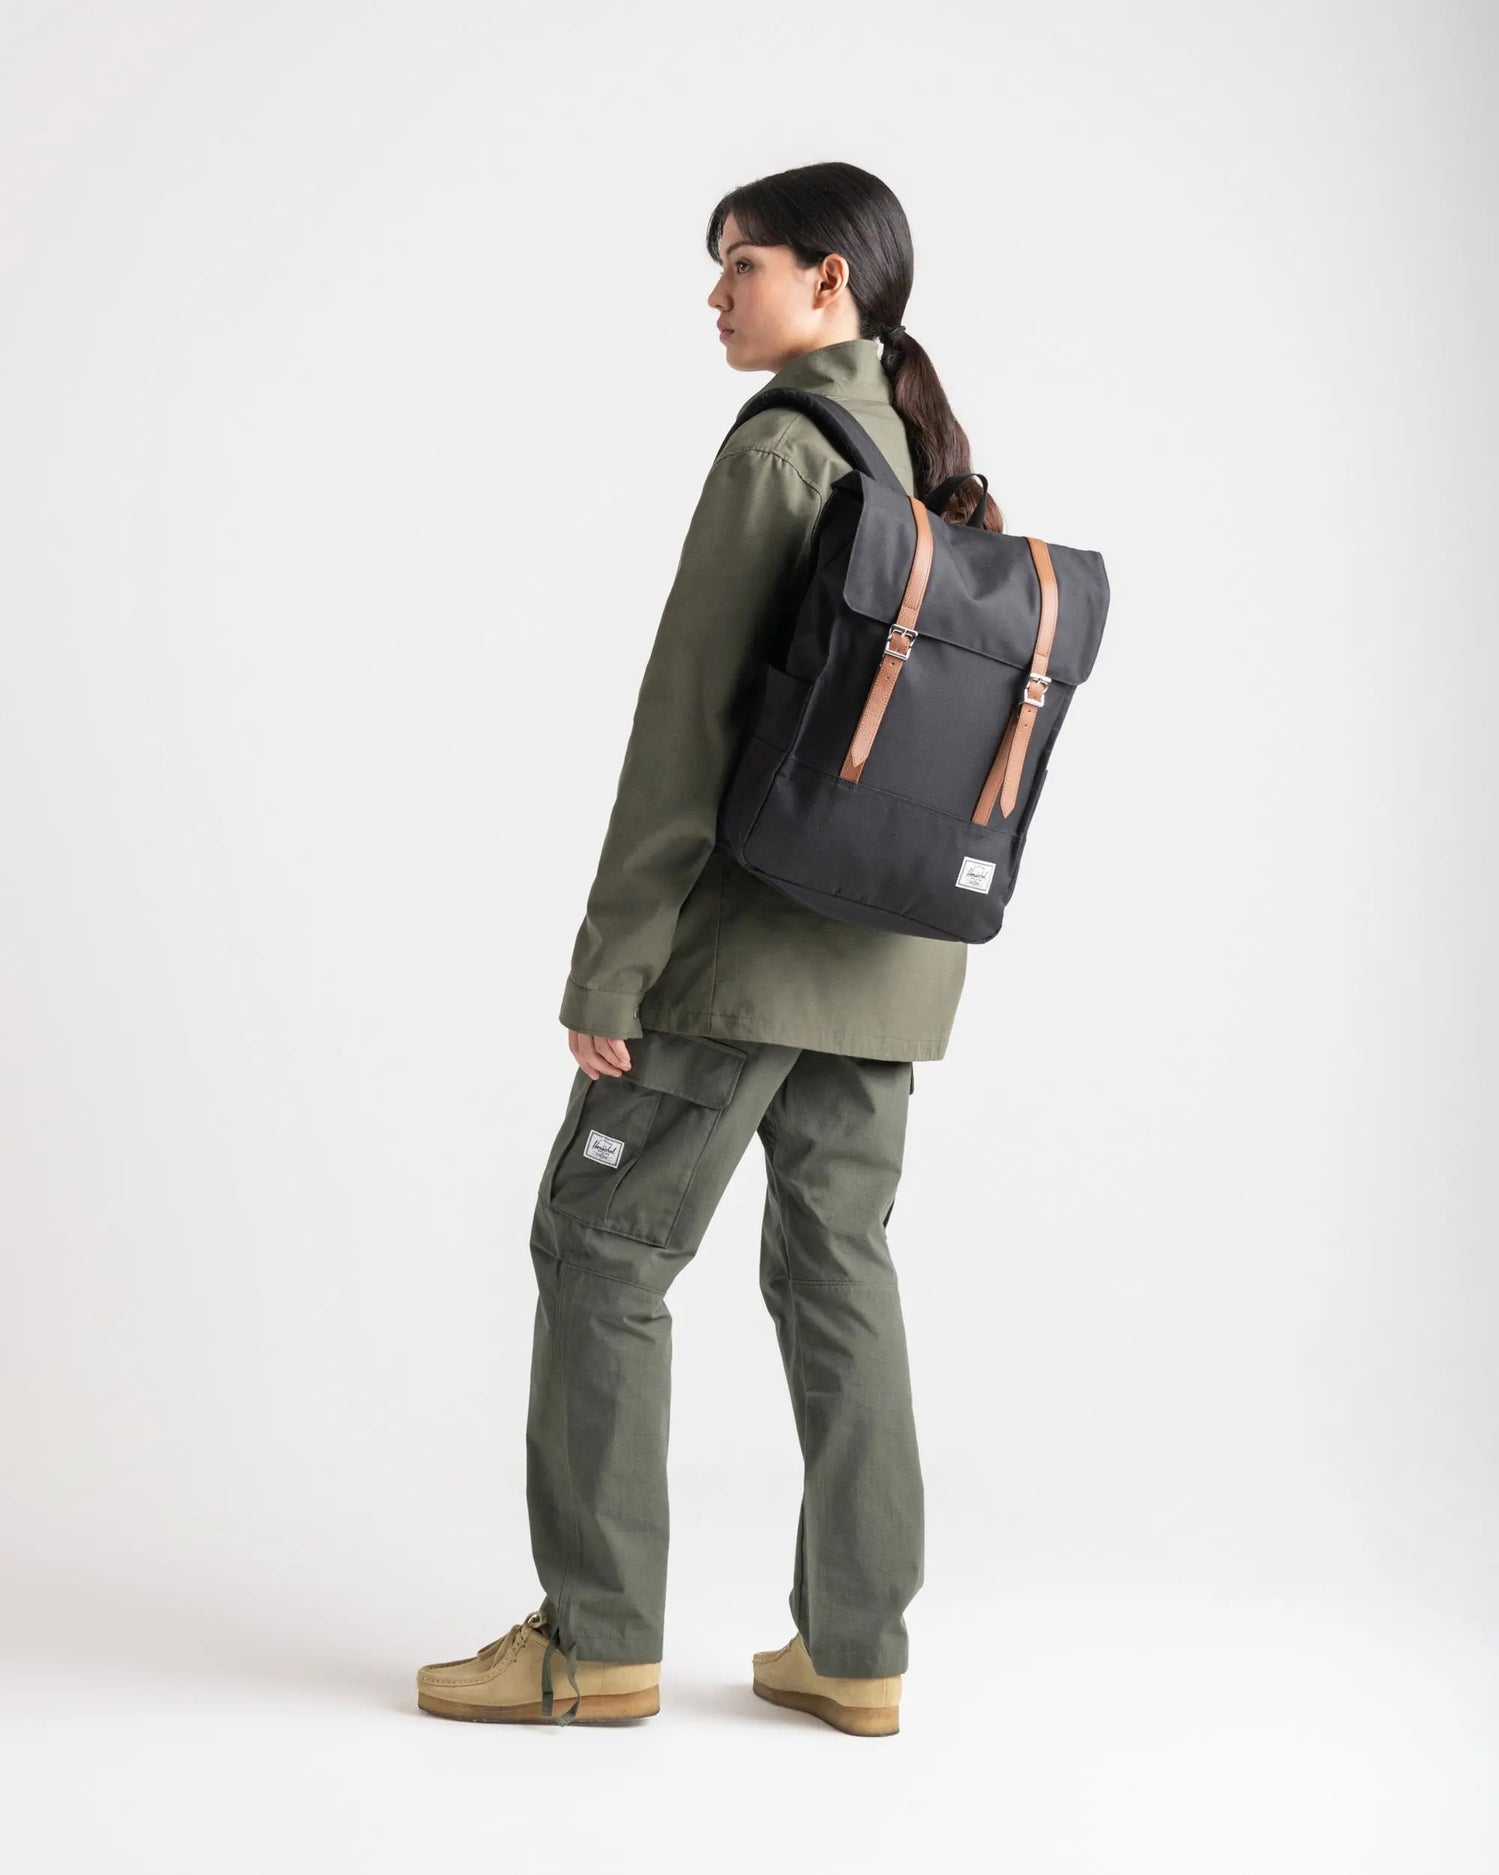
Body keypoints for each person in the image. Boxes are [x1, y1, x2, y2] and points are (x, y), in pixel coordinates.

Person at [415, 161, 1003, 1735]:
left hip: (745, 950)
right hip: (892, 958)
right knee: (838, 1270)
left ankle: (593, 1644)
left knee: (601, 1251)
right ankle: (858, 1649)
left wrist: (613, 965)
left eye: (739, 262)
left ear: (829, 279)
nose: (716, 293)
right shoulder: (922, 451)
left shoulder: (783, 447)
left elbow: (686, 729)